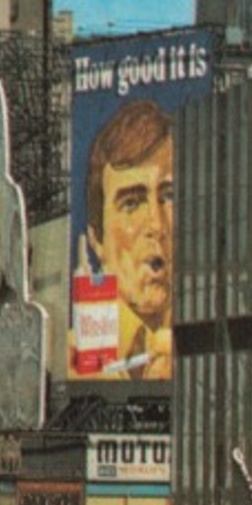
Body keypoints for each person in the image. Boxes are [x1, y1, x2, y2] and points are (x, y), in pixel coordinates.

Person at [76, 98, 175, 381]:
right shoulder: (77, 362)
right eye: (131, 203)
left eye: (169, 196)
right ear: (97, 240)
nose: (156, 225)